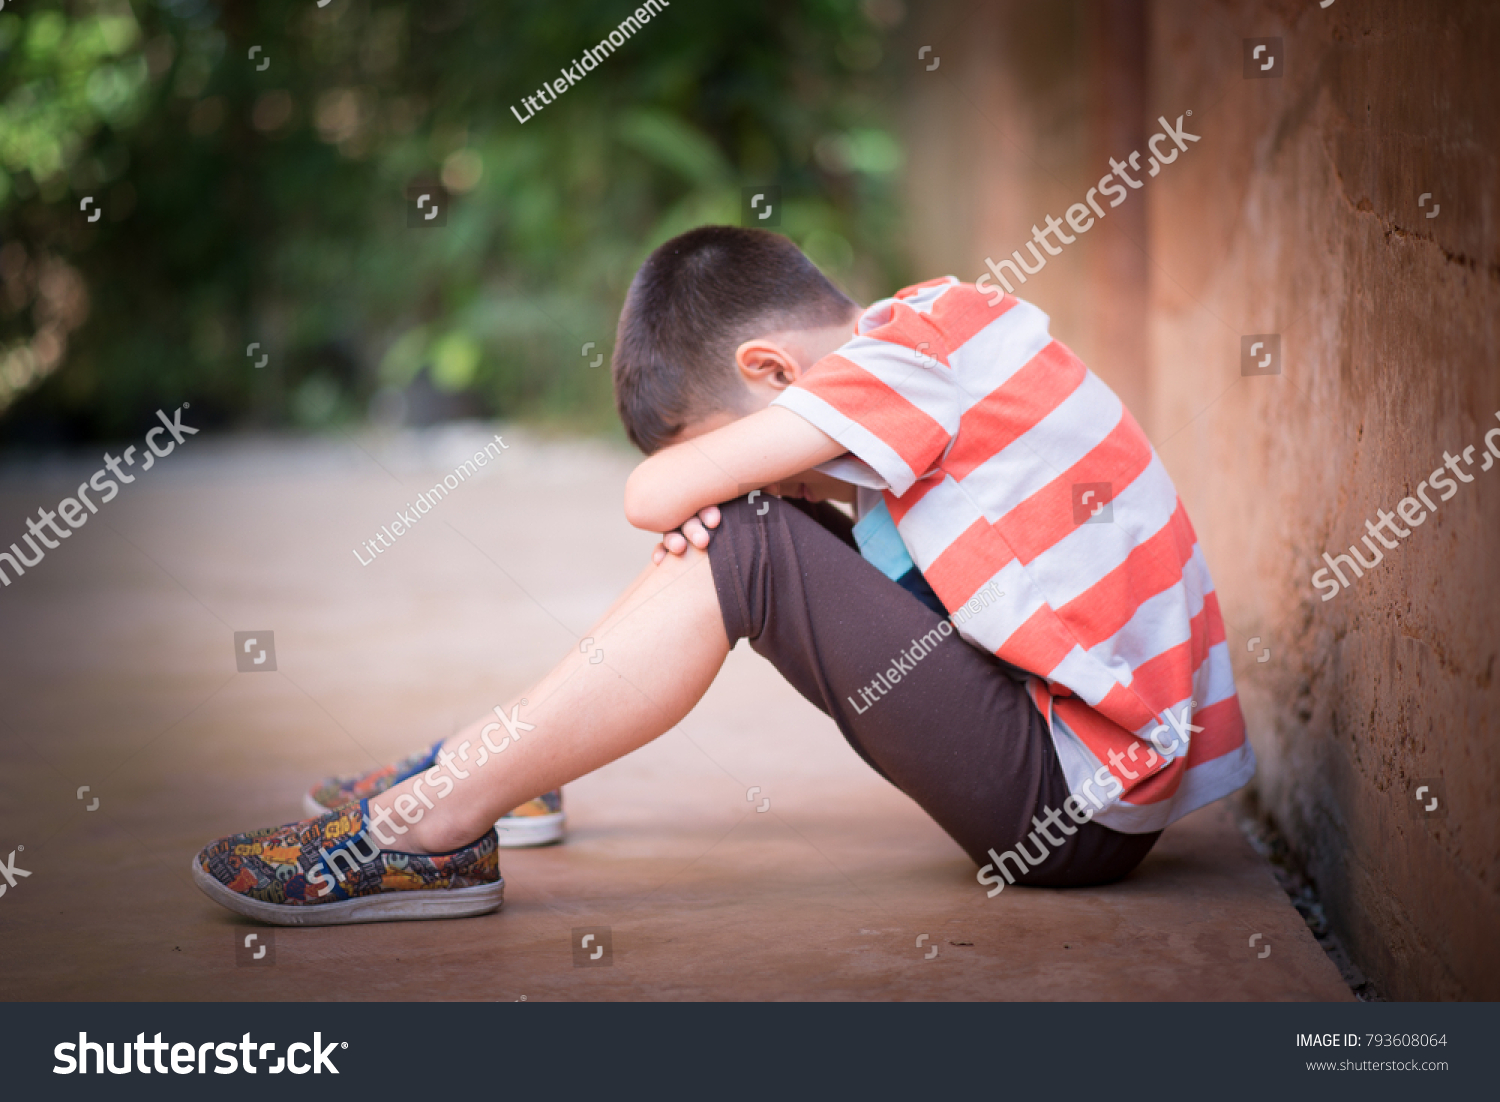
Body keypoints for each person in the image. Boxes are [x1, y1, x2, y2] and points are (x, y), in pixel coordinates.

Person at [192, 225, 1254, 926]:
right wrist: (777, 493)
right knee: (751, 524)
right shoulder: (939, 339)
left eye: (758, 432)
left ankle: (436, 819)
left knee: (741, 535)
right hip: (1071, 767)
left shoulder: (905, 364)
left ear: (774, 375)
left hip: (1073, 810)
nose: (784, 454)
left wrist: (734, 492)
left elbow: (650, 498)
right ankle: (493, 768)